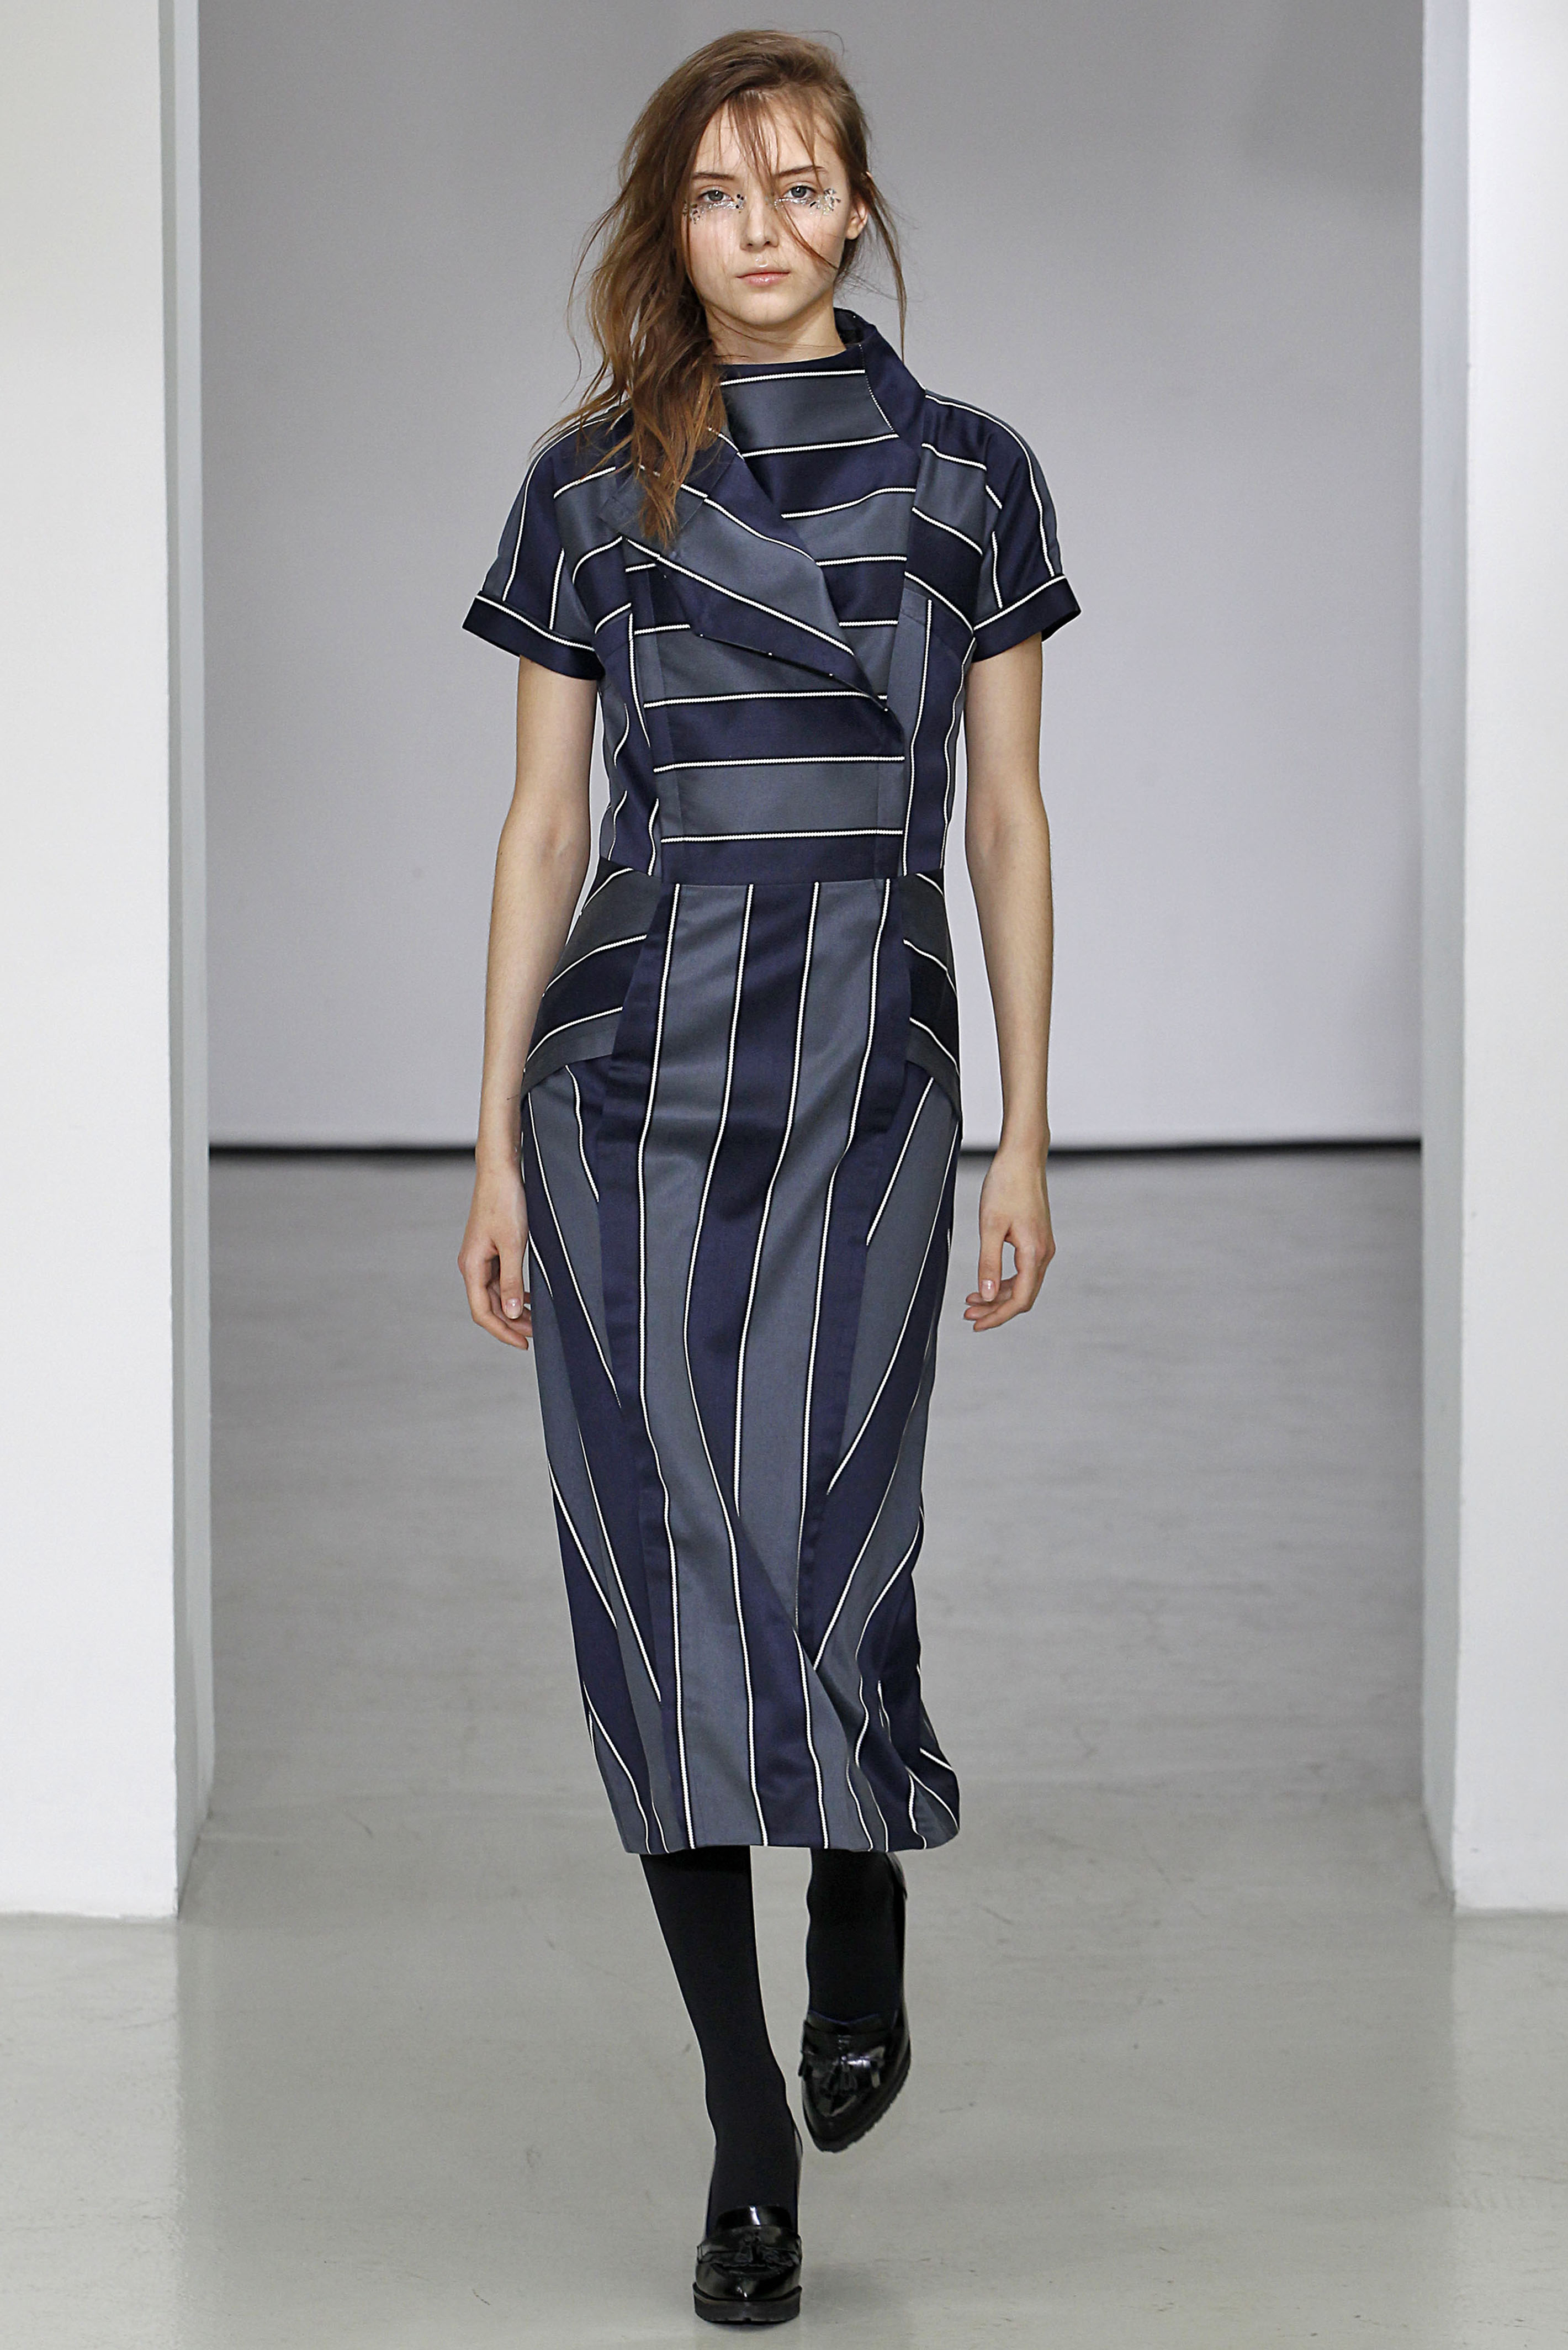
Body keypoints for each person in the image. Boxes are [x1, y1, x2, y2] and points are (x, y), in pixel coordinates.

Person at [458, 28, 1077, 2327]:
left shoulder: (970, 478)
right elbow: (544, 824)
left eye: (799, 185)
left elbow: (1002, 817)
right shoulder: (587, 484)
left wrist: (1026, 1123)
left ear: (856, 209)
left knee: (827, 1532)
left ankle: (866, 1873)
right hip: (624, 1073)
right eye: (718, 193)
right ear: (672, 222)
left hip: (863, 1065)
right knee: (656, 1574)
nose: (760, 228)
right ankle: (743, 2135)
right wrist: (488, 1136)